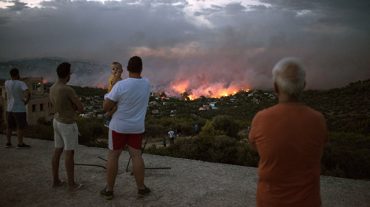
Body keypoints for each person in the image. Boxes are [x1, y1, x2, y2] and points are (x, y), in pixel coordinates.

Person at [248, 57, 328, 207]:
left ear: (276, 87)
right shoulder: (318, 120)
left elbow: (256, 147)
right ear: (303, 85)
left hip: (270, 202)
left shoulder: (261, 119)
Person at [100, 56, 151, 200]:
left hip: (118, 127)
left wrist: (107, 95)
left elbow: (106, 107)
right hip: (136, 127)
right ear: (141, 69)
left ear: (127, 69)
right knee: (136, 156)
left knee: (113, 156)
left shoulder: (120, 86)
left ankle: (109, 190)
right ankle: (141, 188)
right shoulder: (147, 83)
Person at [49, 62, 84, 190]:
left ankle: (56, 180)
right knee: (69, 153)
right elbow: (81, 108)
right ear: (67, 74)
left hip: (57, 121)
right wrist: (74, 107)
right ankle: (71, 184)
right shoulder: (67, 89)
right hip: (68, 124)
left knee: (57, 150)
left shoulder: (52, 87)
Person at [4, 68, 31, 148]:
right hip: (19, 108)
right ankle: (20, 143)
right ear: (18, 74)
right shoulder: (21, 83)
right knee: (20, 127)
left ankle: (8, 143)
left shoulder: (6, 82)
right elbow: (28, 92)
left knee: (9, 126)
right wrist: (26, 101)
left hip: (9, 108)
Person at [104, 62, 123, 127]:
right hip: (110, 95)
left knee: (117, 106)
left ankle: (109, 116)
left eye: (117, 69)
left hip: (115, 96)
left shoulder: (121, 80)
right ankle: (108, 115)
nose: (115, 70)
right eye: (113, 69)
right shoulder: (112, 78)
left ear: (122, 71)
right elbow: (111, 87)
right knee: (114, 106)